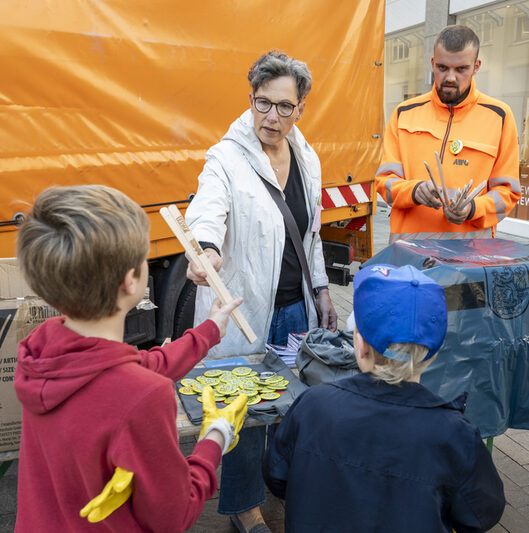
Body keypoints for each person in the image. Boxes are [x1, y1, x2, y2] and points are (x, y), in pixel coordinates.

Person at [13, 185, 247, 532]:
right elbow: (173, 516)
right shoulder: (144, 396)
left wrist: (210, 330)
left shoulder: (40, 350)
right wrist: (215, 437)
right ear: (131, 281)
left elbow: (133, 369)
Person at [185, 50, 337, 533]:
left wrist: (322, 289)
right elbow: (207, 207)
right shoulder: (225, 157)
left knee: (290, 406)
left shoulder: (307, 157)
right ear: (250, 99)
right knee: (243, 412)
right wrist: (205, 248)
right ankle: (243, 508)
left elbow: (310, 234)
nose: (271, 117)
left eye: (284, 106)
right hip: (247, 311)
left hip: (296, 310)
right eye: (261, 103)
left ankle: (279, 488)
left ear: (301, 107)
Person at [263, 264, 505, 532]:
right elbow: (482, 513)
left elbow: (277, 477)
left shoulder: (312, 406)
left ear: (360, 344)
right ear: (434, 353)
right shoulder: (455, 434)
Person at [376, 25, 520, 244]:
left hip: (468, 263)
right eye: (442, 67)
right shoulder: (404, 113)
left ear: (476, 67)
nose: (450, 77)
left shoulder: (499, 116)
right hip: (409, 258)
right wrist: (414, 191)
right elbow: (384, 182)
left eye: (461, 69)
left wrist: (473, 208)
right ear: (433, 63)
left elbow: (508, 193)